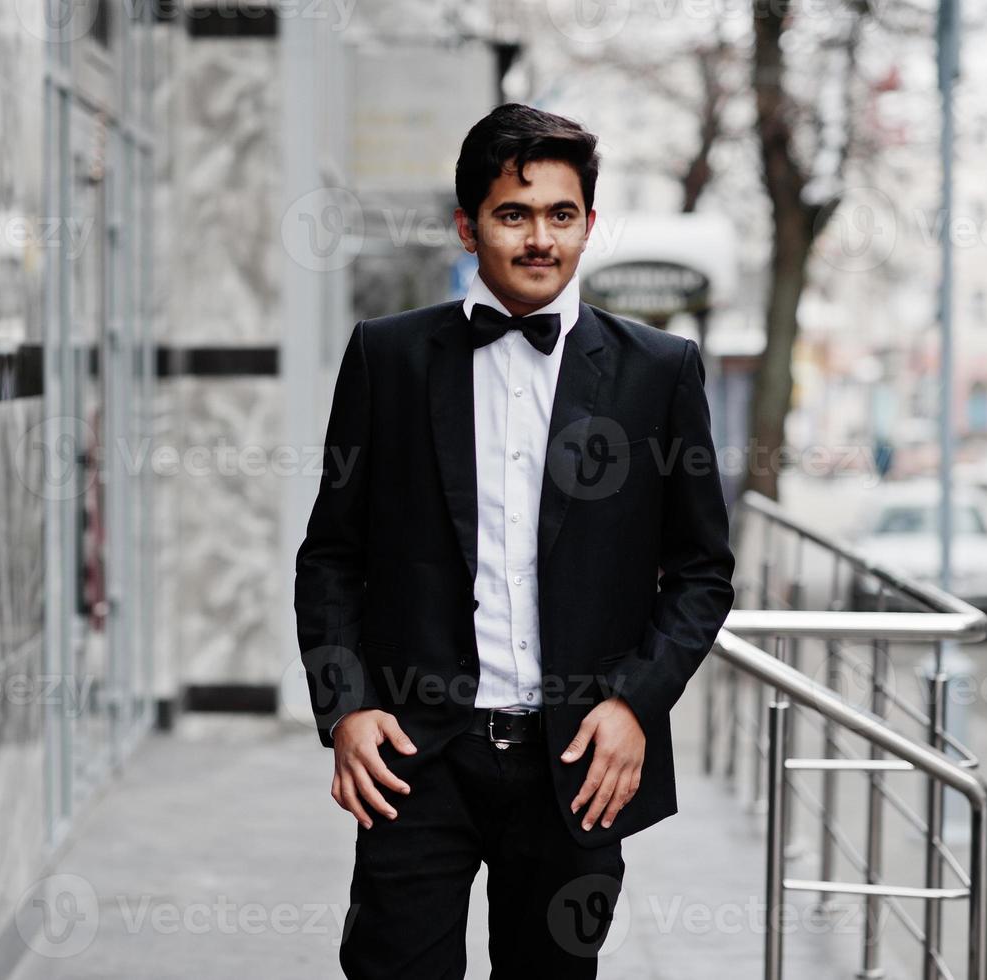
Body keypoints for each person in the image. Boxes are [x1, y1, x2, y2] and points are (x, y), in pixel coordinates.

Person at [294, 102, 736, 979]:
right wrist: (345, 705)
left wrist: (634, 703)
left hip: (577, 764)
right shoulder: (386, 356)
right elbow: (332, 554)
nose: (539, 238)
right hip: (416, 757)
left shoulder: (659, 371)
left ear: (588, 225)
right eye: (512, 213)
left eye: (560, 214)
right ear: (469, 225)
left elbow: (700, 572)